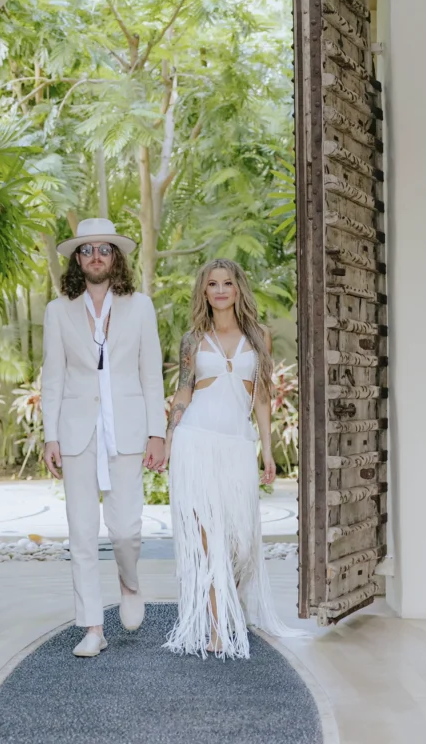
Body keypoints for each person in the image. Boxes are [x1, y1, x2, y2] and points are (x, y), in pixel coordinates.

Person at [41, 218, 166, 658]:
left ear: (116, 258)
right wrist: (50, 434)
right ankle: (93, 626)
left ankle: (129, 583)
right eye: (87, 249)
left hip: (128, 431)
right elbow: (52, 377)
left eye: (105, 249)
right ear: (78, 259)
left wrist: (157, 432)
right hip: (77, 433)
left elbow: (151, 374)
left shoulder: (141, 307)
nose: (96, 256)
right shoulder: (58, 311)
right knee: (81, 533)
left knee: (127, 530)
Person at [162, 258, 296, 659]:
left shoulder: (259, 338)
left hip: (237, 446)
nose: (220, 290)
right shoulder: (193, 339)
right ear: (204, 291)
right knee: (208, 541)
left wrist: (267, 451)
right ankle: (218, 629)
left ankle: (227, 607)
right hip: (195, 443)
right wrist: (169, 438)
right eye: (212, 284)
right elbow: (184, 392)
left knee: (239, 543)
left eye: (227, 283)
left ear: (238, 289)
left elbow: (261, 398)